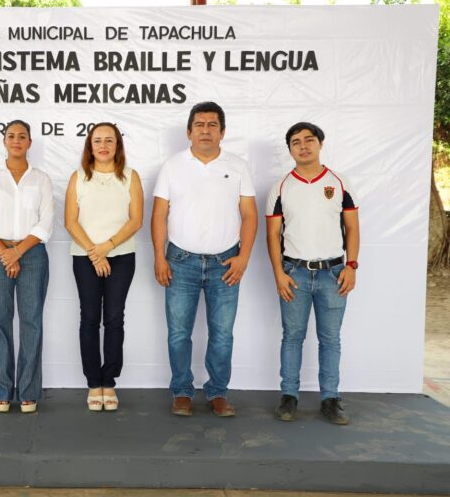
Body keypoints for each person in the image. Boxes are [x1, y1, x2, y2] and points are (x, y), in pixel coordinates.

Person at [151, 101, 258, 417]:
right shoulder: (173, 166)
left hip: (225, 263)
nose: (206, 130)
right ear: (189, 131)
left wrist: (244, 259)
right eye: (199, 124)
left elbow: (249, 215)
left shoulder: (237, 166)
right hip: (180, 260)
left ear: (223, 132)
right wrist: (160, 257)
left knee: (222, 333)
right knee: (179, 332)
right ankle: (182, 391)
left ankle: (218, 393)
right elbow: (159, 214)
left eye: (213, 125)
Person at [266, 122, 360, 425]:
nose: (303, 146)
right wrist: (279, 273)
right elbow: (272, 235)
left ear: (320, 143)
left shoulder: (339, 182)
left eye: (309, 140)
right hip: (295, 272)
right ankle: (288, 397)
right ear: (290, 149)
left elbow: (352, 227)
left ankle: (330, 398)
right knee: (292, 337)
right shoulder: (281, 187)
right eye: (296, 142)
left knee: (330, 338)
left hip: (333, 273)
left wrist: (352, 265)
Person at [0, 120, 54, 414]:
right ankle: (2, 389)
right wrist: (5, 254)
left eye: (22, 136)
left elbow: (45, 223)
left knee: (32, 321)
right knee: (0, 320)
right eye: (11, 136)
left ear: (30, 142)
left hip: (32, 253)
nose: (16, 140)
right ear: (4, 141)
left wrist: (17, 252)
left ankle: (29, 391)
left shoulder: (41, 179)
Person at [64, 122, 144, 412]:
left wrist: (106, 248)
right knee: (89, 318)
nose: (103, 145)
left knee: (114, 318)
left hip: (121, 256)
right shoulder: (78, 178)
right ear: (89, 145)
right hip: (84, 257)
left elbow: (136, 220)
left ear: (118, 145)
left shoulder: (130, 177)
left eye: (109, 140)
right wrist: (94, 253)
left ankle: (108, 381)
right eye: (97, 140)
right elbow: (70, 220)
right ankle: (92, 382)